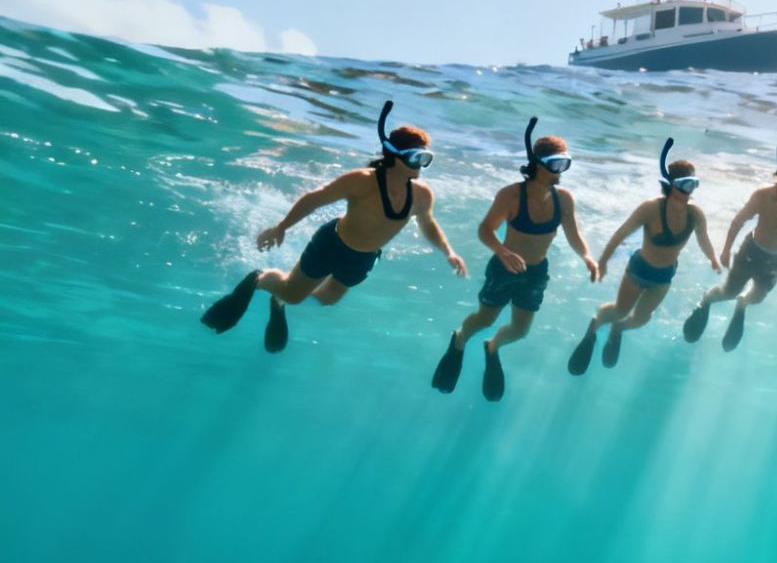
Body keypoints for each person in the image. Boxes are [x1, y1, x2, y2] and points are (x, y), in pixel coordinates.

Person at [201, 101, 465, 352]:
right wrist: (281, 227)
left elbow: (428, 223)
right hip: (332, 245)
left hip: (364, 258)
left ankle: (278, 300)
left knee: (328, 299)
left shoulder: (421, 195)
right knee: (294, 295)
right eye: (416, 158)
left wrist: (448, 252)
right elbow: (315, 198)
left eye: (426, 158)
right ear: (394, 156)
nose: (421, 165)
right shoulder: (362, 181)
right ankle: (259, 279)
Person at [432, 118, 599, 401]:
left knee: (521, 330)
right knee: (485, 318)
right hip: (504, 268)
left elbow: (574, 234)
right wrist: (503, 251)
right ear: (538, 164)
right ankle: (459, 339)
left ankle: (493, 347)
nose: (561, 171)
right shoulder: (511, 195)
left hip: (536, 272)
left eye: (565, 164)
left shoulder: (564, 199)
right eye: (556, 164)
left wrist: (587, 257)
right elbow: (485, 230)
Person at [569, 139, 719, 376]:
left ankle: (617, 329)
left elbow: (703, 238)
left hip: (664, 277)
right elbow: (621, 234)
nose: (689, 191)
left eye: (693, 184)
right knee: (620, 310)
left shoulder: (695, 214)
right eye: (685, 184)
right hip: (639, 270)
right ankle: (594, 326)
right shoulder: (650, 208)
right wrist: (603, 262)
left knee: (641, 319)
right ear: (671, 185)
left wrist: (713, 258)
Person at [682, 129, 777, 352]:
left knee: (758, 297)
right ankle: (707, 300)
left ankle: (742, 305)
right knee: (729, 291)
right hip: (752, 251)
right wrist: (726, 250)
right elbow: (738, 221)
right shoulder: (763, 195)